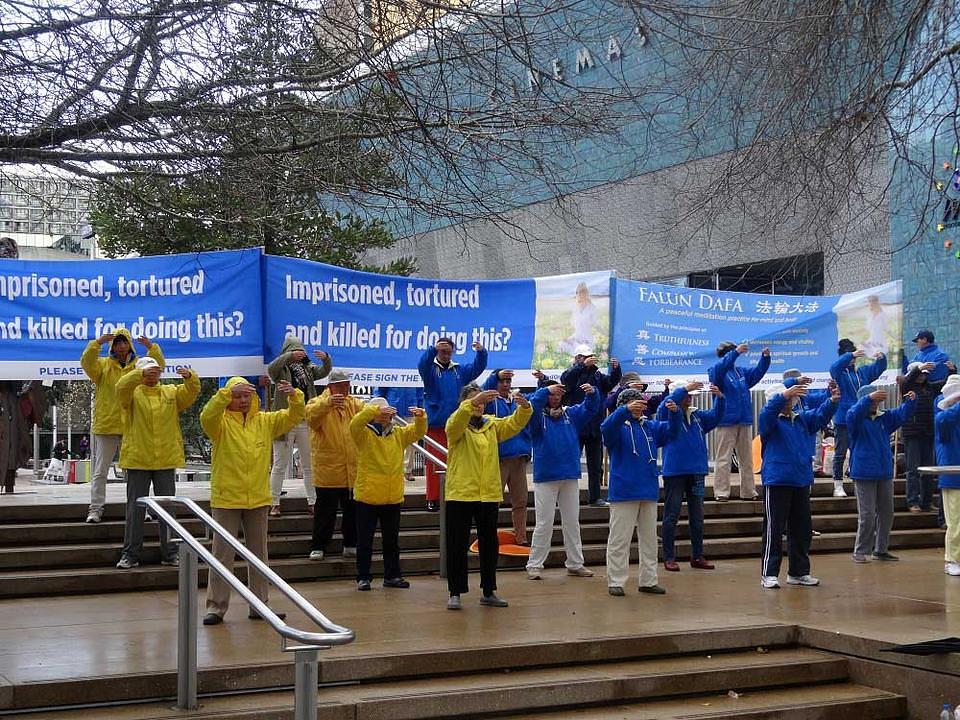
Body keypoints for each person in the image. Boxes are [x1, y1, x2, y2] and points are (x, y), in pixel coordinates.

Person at [200, 377, 303, 625]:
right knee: (222, 554)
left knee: (258, 555)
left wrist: (294, 395)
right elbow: (206, 416)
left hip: (257, 498)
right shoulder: (220, 423)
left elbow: (293, 415)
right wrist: (226, 393)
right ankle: (216, 606)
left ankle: (260, 605)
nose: (243, 400)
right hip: (227, 498)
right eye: (238, 396)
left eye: (246, 395)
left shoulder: (265, 421)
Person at [444, 383, 532, 610]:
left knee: (489, 545)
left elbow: (513, 424)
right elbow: (453, 426)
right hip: (461, 493)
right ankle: (455, 592)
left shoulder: (491, 425)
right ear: (464, 402)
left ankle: (489, 590)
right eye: (475, 400)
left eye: (482, 401)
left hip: (488, 494)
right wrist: (471, 402)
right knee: (457, 544)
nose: (479, 404)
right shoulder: (457, 423)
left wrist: (523, 408)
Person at [115, 358, 200, 569]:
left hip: (165, 458)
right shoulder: (131, 394)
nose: (152, 375)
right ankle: (130, 554)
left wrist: (190, 377)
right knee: (135, 509)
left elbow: (191, 393)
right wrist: (140, 374)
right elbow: (120, 386)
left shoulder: (171, 392)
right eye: (147, 372)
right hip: (138, 459)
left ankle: (170, 553)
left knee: (167, 508)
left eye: (155, 371)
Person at [758, 382, 839, 589]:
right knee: (773, 529)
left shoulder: (802, 419)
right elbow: (768, 412)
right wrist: (783, 395)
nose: (790, 402)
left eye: (791, 400)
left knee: (802, 528)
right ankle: (769, 573)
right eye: (787, 399)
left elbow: (820, 416)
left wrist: (832, 401)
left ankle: (798, 571)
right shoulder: (770, 421)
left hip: (801, 478)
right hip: (777, 479)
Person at [601, 388, 680, 597]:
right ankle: (616, 581)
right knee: (620, 538)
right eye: (634, 403)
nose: (639, 406)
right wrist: (623, 411)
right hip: (624, 491)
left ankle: (648, 580)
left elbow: (672, 432)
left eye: (641, 403)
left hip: (648, 489)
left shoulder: (650, 426)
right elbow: (606, 428)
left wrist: (675, 413)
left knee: (649, 539)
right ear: (624, 405)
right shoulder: (617, 427)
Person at [80, 328, 164, 523]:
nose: (121, 346)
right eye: (117, 343)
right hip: (107, 425)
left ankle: (140, 509)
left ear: (130, 344)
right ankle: (95, 508)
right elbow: (86, 362)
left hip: (133, 426)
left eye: (124, 342)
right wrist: (97, 342)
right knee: (100, 470)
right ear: (112, 346)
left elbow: (158, 367)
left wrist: (152, 348)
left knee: (136, 473)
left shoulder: (139, 366)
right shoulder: (102, 366)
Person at [349, 397, 427, 591]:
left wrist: (420, 417)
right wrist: (374, 410)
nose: (387, 415)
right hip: (367, 495)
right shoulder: (364, 434)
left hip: (392, 496)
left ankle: (392, 575)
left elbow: (418, 432)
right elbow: (355, 423)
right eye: (383, 412)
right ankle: (363, 576)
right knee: (365, 541)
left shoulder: (398, 433)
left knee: (392, 541)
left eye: (388, 412)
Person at [525, 381, 598, 580]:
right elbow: (532, 404)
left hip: (570, 476)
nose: (555, 398)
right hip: (546, 477)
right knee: (544, 523)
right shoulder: (536, 417)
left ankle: (575, 563)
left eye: (558, 394)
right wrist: (545, 390)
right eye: (552, 394)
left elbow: (590, 408)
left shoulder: (571, 414)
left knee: (572, 522)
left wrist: (592, 393)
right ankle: (534, 564)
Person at [657, 381, 726, 572]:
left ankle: (697, 555)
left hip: (696, 472)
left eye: (691, 394)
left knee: (697, 516)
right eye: (687, 394)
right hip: (675, 472)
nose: (690, 397)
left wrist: (720, 398)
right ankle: (669, 557)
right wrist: (683, 389)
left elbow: (716, 417)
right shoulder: (667, 411)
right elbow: (668, 402)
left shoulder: (697, 416)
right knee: (671, 515)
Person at [847, 385, 916, 563]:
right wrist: (868, 398)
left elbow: (902, 414)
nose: (876, 403)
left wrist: (910, 401)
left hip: (883, 471)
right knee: (867, 515)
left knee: (887, 512)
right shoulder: (855, 419)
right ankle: (860, 551)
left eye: (878, 400)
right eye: (873, 400)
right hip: (863, 472)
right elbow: (854, 412)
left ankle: (880, 549)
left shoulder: (885, 417)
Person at [418, 338, 488, 512]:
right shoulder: (430, 370)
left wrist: (481, 352)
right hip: (436, 424)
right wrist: (432, 350)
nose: (446, 354)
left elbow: (477, 368)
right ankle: (433, 498)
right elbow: (422, 364)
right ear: (437, 351)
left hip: (457, 424)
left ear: (453, 352)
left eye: (448, 351)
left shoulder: (459, 370)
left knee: (456, 462)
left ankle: (451, 495)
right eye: (442, 351)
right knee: (434, 463)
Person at [267, 336, 332, 516]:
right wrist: (288, 357)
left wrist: (326, 359)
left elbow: (324, 372)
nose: (298, 354)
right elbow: (271, 369)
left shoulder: (307, 369)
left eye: (300, 350)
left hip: (305, 421)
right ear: (287, 351)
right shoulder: (281, 369)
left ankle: (313, 501)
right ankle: (274, 502)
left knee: (308, 464)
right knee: (280, 464)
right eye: (294, 350)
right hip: (284, 420)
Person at [305, 369, 364, 561]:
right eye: (341, 386)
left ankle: (351, 544)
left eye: (347, 385)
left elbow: (367, 414)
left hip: (352, 469)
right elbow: (311, 418)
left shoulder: (353, 403)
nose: (345, 389)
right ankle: (319, 546)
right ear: (330, 387)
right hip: (328, 468)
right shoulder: (317, 402)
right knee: (325, 512)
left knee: (352, 510)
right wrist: (327, 404)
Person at [708, 342, 771, 502]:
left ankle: (748, 491)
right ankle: (721, 492)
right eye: (732, 353)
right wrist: (736, 352)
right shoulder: (716, 371)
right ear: (727, 354)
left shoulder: (740, 372)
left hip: (744, 420)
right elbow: (722, 366)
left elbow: (757, 373)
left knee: (746, 458)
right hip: (725, 420)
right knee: (724, 457)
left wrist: (765, 359)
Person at [561, 344, 621, 506]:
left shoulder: (598, 375)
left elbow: (609, 384)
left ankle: (595, 497)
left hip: (595, 426)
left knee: (595, 465)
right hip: (576, 426)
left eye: (590, 356)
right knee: (571, 461)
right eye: (583, 356)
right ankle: (565, 497)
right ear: (577, 358)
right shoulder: (571, 373)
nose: (588, 359)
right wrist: (582, 366)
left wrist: (616, 370)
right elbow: (566, 381)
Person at [481, 369, 535, 544]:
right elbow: (483, 392)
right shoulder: (491, 402)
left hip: (519, 458)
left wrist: (543, 380)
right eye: (502, 381)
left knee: (521, 501)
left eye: (508, 381)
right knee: (492, 501)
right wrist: (494, 377)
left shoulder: (518, 400)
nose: (505, 384)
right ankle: (488, 537)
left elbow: (542, 397)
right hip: (499, 458)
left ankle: (521, 537)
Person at [829, 339, 886, 498]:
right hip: (843, 419)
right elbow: (834, 368)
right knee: (840, 452)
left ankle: (855, 478)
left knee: (857, 450)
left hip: (861, 418)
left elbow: (878, 369)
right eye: (851, 356)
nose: (853, 359)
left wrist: (881, 358)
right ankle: (837, 485)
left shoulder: (861, 372)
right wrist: (850, 354)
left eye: (854, 356)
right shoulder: (839, 374)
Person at [899, 360, 956, 512]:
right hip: (912, 433)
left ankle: (926, 501)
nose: (922, 377)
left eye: (925, 374)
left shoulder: (929, 388)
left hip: (928, 433)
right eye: (920, 374)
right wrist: (918, 368)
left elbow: (945, 385)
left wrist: (952, 371)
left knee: (928, 470)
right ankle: (912, 501)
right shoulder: (907, 387)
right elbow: (907, 380)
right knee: (913, 469)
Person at [782, 370, 834, 476]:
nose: (802, 386)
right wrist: (795, 381)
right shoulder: (781, 399)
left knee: (817, 438)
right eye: (799, 383)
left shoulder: (805, 397)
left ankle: (815, 468)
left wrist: (830, 390)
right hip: (793, 432)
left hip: (807, 431)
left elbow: (822, 398)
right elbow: (783, 386)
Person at [934, 375, 960, 576]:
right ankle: (952, 559)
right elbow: (946, 418)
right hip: (953, 478)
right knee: (956, 523)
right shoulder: (942, 419)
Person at [0, 380, 43, 494]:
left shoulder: (16, 398)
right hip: (8, 432)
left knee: (10, 464)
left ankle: (9, 488)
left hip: (12, 433)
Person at [375, 385, 425, 481]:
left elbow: (420, 391)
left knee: (412, 443)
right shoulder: (390, 370)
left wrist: (420, 407)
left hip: (410, 410)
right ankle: (391, 469)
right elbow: (380, 391)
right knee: (390, 443)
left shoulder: (413, 372)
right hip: (392, 411)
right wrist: (381, 408)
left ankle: (407, 470)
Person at [560, 281, 598, 354]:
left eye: (581, 292)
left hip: (586, 339)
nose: (579, 294)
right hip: (576, 337)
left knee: (583, 350)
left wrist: (606, 333)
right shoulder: (575, 308)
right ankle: (575, 347)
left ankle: (578, 350)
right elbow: (572, 324)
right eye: (577, 292)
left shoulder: (592, 308)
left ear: (586, 293)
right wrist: (568, 338)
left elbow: (596, 325)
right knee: (562, 344)